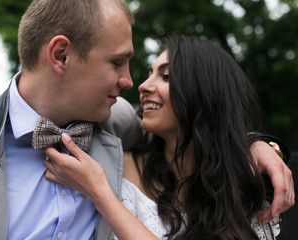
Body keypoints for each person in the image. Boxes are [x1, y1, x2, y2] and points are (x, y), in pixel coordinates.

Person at [0, 0, 293, 238]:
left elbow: (204, 125)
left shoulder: (113, 125)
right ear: (60, 55)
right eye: (116, 62)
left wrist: (255, 143)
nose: (131, 82)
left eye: (163, 75)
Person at [43, 35, 295, 240]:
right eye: (150, 73)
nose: (142, 86)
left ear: (205, 93)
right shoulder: (118, 164)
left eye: (165, 76)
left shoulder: (246, 189)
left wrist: (101, 194)